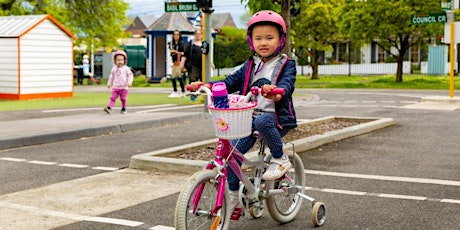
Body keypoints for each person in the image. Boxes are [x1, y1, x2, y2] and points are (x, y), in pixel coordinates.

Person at [190, 10, 297, 212]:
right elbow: (229, 82)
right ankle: (233, 195)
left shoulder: (286, 64)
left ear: (281, 40)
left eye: (269, 38)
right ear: (251, 40)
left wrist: (278, 92)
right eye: (258, 38)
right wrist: (207, 85)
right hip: (248, 119)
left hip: (275, 120)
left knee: (263, 121)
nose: (263, 42)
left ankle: (280, 158)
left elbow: (288, 84)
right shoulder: (250, 64)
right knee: (232, 154)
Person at [103, 50, 134, 114]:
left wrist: (129, 82)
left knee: (123, 99)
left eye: (121, 60)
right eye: (118, 60)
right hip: (115, 87)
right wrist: (109, 83)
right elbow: (111, 77)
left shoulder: (126, 69)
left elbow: (130, 75)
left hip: (124, 87)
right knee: (113, 97)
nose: (120, 62)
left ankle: (124, 108)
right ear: (115, 61)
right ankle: (109, 107)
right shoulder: (114, 69)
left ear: (124, 60)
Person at [168, 30, 186, 98]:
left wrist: (176, 52)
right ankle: (180, 91)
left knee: (176, 77)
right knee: (177, 77)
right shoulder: (172, 44)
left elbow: (183, 53)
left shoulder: (181, 43)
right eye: (174, 34)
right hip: (174, 62)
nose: (176, 36)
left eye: (177, 34)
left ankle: (179, 91)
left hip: (179, 62)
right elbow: (171, 53)